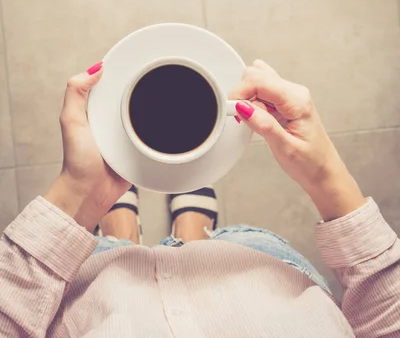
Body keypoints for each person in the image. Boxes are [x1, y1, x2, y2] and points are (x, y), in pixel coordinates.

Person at [0, 59, 399, 337]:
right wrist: (326, 174)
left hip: (96, 287)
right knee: (215, 247)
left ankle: (118, 231)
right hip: (254, 266)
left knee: (111, 255)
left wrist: (77, 195)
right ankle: (193, 232)